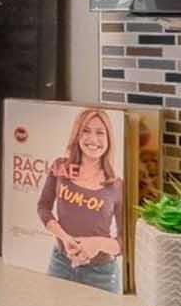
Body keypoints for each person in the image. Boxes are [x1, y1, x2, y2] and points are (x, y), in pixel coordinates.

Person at [38, 108, 124, 291]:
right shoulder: (60, 167)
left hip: (102, 274)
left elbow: (124, 243)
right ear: (77, 135)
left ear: (109, 139)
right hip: (60, 264)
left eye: (100, 133)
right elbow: (43, 207)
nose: (93, 139)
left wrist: (96, 244)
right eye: (86, 130)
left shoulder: (117, 186)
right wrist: (65, 237)